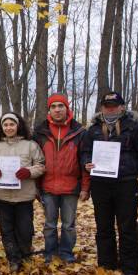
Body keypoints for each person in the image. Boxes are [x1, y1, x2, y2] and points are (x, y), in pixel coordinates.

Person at [81, 91, 138, 275]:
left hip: (126, 183)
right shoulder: (93, 130)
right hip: (101, 184)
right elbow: (85, 152)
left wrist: (132, 171)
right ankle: (107, 265)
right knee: (104, 226)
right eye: (107, 106)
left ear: (122, 107)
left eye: (114, 105)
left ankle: (129, 269)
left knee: (127, 227)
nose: (110, 109)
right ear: (101, 108)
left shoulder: (134, 128)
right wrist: (87, 163)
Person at [33, 93, 90, 264]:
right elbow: (34, 161)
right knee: (49, 224)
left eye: (61, 106)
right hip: (48, 187)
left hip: (71, 187)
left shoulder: (79, 132)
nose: (57, 110)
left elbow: (85, 161)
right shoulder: (40, 132)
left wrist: (85, 188)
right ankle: (49, 252)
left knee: (68, 225)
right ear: (49, 110)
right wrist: (36, 187)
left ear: (67, 108)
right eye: (54, 106)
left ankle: (66, 252)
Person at [0, 112, 45, 273]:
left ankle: (25, 255)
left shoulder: (30, 145)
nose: (9, 127)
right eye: (5, 125)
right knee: (6, 229)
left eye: (11, 124)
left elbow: (41, 165)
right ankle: (13, 258)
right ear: (2, 128)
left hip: (24, 196)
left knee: (25, 229)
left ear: (18, 125)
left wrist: (28, 172)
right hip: (3, 196)